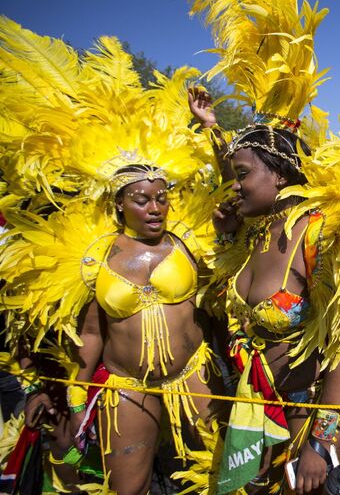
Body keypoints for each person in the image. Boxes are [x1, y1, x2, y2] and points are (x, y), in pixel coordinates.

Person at [189, 90, 340, 495]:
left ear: (279, 175)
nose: (234, 186)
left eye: (243, 175)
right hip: (255, 407)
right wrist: (209, 126)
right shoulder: (256, 232)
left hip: (309, 408)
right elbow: (234, 176)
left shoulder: (319, 235)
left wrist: (320, 440)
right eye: (234, 176)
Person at [68, 164, 225, 494]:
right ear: (120, 203)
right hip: (128, 384)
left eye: (161, 199)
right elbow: (94, 333)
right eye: (141, 200)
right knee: (129, 487)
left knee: (218, 474)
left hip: (193, 375)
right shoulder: (97, 256)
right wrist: (76, 394)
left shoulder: (188, 242)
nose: (155, 209)